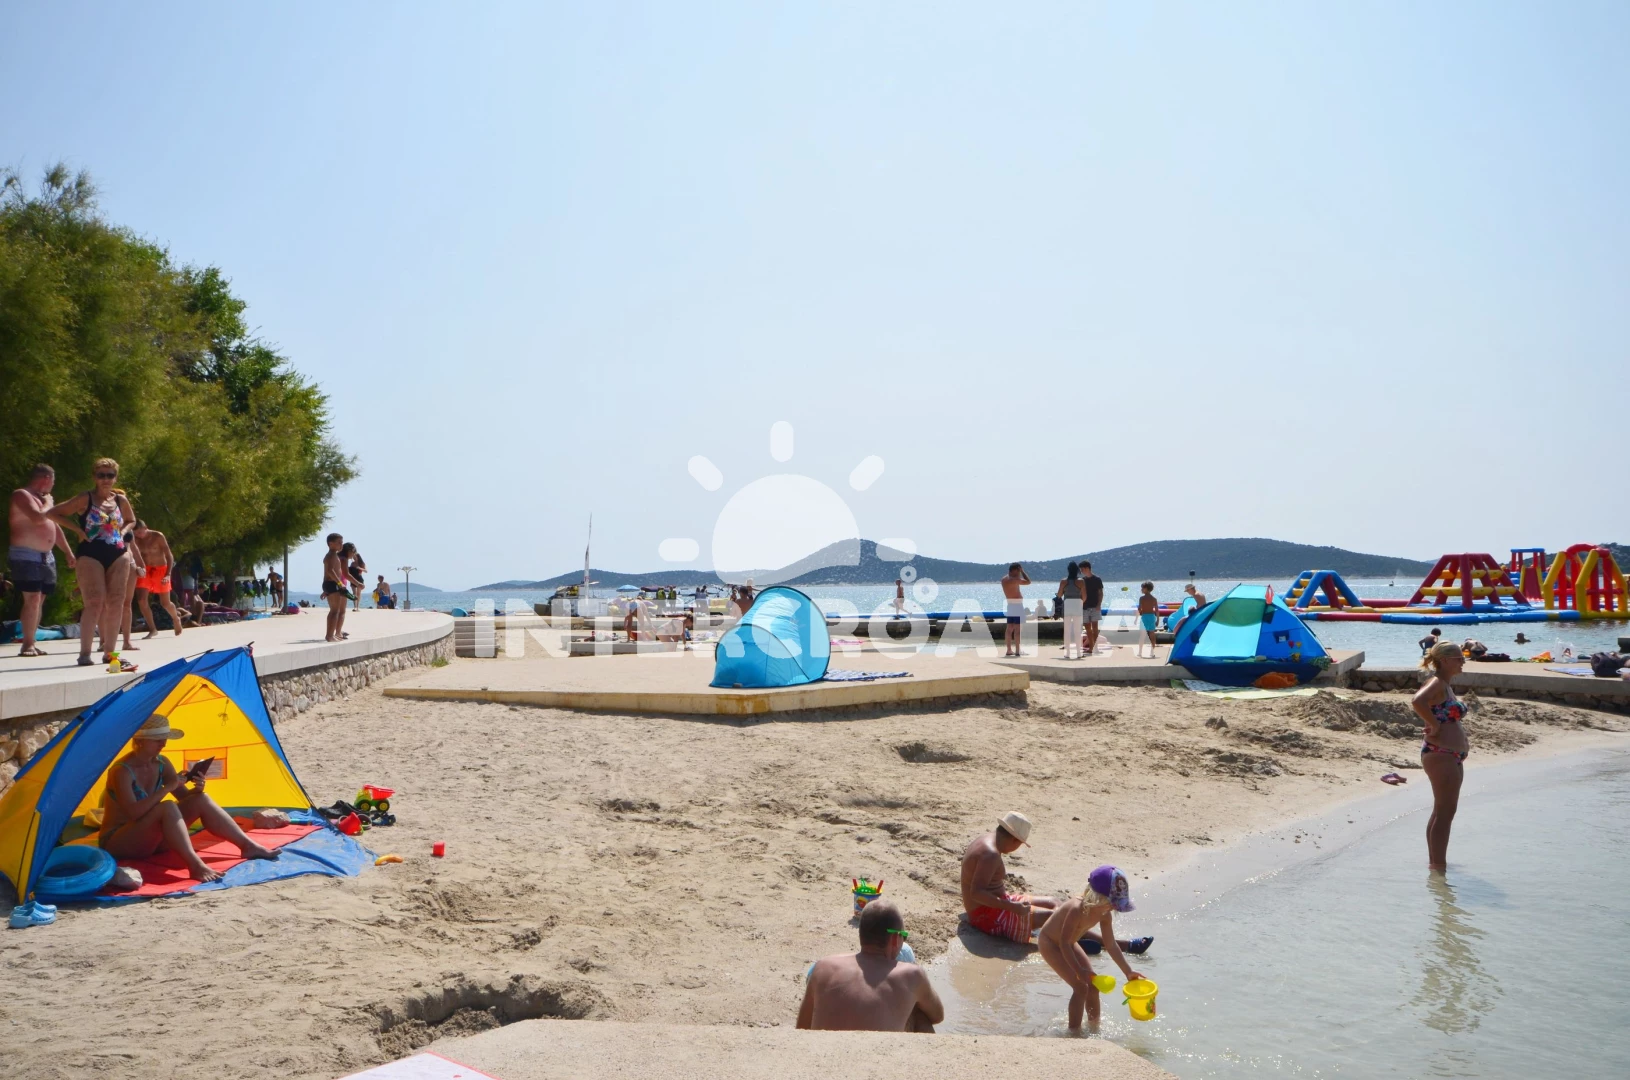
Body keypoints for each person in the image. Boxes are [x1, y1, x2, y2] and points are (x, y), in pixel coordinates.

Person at [98, 713, 279, 882]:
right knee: (167, 806)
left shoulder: (161, 763)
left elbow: (184, 798)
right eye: (157, 740)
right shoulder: (121, 771)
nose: (163, 744)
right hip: (119, 842)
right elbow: (133, 813)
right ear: (139, 741)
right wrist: (168, 787)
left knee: (201, 799)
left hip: (151, 840)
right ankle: (195, 866)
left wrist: (197, 789)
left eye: (165, 739)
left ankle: (247, 846)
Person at [959, 811, 1151, 956]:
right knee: (1057, 917)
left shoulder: (987, 840)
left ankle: (1069, 938)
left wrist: (1009, 904)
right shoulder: (991, 855)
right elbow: (976, 893)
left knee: (1056, 903)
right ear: (1013, 839)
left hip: (998, 903)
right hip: (986, 916)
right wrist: (1011, 907)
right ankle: (1118, 945)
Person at [46, 459, 142, 670]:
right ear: (94, 477)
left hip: (118, 553)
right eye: (101, 475)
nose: (106, 479)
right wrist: (78, 530)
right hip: (90, 553)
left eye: (110, 475)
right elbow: (53, 513)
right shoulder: (85, 498)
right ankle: (85, 653)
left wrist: (124, 531)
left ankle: (110, 653)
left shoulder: (120, 500)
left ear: (115, 478)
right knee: (95, 602)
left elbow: (131, 520)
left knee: (116, 601)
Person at [797, 899, 943, 1033]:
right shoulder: (912, 975)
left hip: (824, 1052)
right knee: (920, 1015)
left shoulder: (822, 967)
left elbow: (801, 1029)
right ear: (895, 939)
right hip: (874, 1053)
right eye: (903, 936)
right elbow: (937, 1015)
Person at [1036, 866, 1146, 1032]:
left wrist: (1128, 971)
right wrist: (1078, 970)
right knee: (1081, 987)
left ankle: (1094, 1028)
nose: (1113, 907)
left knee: (1093, 986)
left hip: (1070, 943)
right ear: (1097, 897)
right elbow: (1063, 943)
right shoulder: (1076, 909)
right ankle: (1074, 1033)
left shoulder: (1105, 914)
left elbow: (1111, 945)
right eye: (1112, 902)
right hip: (1050, 943)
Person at [7, 464, 76, 657]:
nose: (53, 485)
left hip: (47, 557)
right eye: (53, 481)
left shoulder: (43, 500)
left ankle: (32, 641)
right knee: (32, 598)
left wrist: (68, 552)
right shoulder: (22, 495)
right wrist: (49, 504)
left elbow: (55, 527)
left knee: (40, 600)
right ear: (46, 479)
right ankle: (27, 644)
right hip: (26, 555)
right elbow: (37, 518)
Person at [1414, 640, 1468, 871]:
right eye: (1459, 658)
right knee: (1445, 813)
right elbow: (1417, 701)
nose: (1463, 661)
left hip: (1451, 755)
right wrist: (1434, 725)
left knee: (1442, 811)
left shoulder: (1445, 685)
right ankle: (1439, 869)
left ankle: (1435, 866)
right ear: (1445, 660)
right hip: (1440, 753)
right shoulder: (1436, 682)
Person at [131, 522, 183, 638]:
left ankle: (176, 618)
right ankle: (152, 629)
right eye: (136, 533)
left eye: (140, 532)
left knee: (165, 603)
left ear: (145, 528)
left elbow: (169, 555)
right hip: (145, 570)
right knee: (141, 600)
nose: (139, 535)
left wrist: (168, 574)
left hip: (161, 570)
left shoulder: (157, 536)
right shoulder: (135, 540)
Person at [321, 533, 349, 642]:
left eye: (342, 542)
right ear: (331, 544)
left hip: (329, 584)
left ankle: (332, 634)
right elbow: (330, 571)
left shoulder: (332, 555)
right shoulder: (331, 555)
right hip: (332, 584)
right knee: (334, 611)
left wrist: (325, 589)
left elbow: (327, 573)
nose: (341, 545)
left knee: (334, 611)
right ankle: (329, 636)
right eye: (339, 543)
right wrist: (340, 583)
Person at [1057, 562, 1085, 660]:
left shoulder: (1063, 581)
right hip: (1077, 606)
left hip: (1067, 606)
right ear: (1077, 570)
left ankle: (1067, 653)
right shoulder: (1081, 581)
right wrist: (1080, 603)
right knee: (1078, 631)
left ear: (1068, 570)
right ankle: (1078, 653)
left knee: (1067, 631)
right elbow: (1084, 596)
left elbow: (1059, 595)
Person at [1001, 563, 1030, 658]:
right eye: (1018, 571)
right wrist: (1022, 571)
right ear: (1015, 570)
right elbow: (1028, 582)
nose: (1019, 573)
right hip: (1017, 606)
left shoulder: (1004, 579)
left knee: (1009, 628)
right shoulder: (1014, 580)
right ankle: (1017, 651)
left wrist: (1018, 572)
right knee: (1017, 628)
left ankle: (1009, 650)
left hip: (1010, 605)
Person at [1080, 560, 1105, 655]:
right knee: (1087, 629)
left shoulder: (1097, 579)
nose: (1081, 571)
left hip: (1095, 607)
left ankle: (1095, 647)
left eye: (1082, 569)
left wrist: (1099, 605)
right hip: (1084, 607)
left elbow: (1100, 593)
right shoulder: (1082, 580)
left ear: (1087, 568)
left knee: (1095, 628)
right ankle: (1091, 647)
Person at [1137, 581, 1159, 657]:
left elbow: (1139, 609)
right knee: (1152, 634)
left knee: (1142, 635)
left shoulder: (1142, 598)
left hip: (1145, 616)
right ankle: (1152, 652)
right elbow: (1157, 610)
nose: (1141, 590)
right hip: (1152, 616)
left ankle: (1140, 652)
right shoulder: (1154, 599)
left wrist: (1136, 617)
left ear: (1146, 589)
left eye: (1142, 588)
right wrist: (1158, 620)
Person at [342, 543, 367, 611]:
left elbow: (366, 571)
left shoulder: (361, 563)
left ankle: (358, 606)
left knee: (358, 593)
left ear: (357, 557)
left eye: (354, 556)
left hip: (359, 578)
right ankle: (355, 606)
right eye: (353, 556)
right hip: (353, 578)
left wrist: (359, 568)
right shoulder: (352, 563)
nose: (353, 557)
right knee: (354, 593)